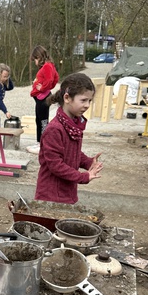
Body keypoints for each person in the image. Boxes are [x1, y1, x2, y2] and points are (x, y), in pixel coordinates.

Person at [35, 73, 103, 204]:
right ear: (67, 98)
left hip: (67, 192)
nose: (87, 105)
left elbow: (72, 152)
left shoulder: (74, 125)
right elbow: (56, 165)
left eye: (89, 101)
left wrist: (88, 162)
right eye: (83, 100)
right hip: (51, 196)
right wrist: (83, 177)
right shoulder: (54, 129)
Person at [30, 45, 59, 151]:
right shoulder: (49, 65)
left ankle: (43, 143)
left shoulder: (47, 66)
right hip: (41, 97)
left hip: (42, 97)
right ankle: (39, 142)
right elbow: (55, 78)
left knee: (43, 121)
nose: (35, 62)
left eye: (35, 59)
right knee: (39, 120)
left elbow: (51, 80)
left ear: (39, 57)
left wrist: (42, 88)